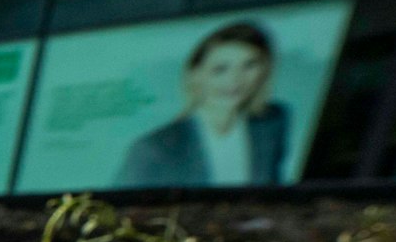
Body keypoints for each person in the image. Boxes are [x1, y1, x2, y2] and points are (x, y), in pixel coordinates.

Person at [116, 22, 290, 189]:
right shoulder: (152, 149)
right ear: (195, 75)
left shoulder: (273, 122)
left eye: (249, 65)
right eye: (220, 69)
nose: (236, 80)